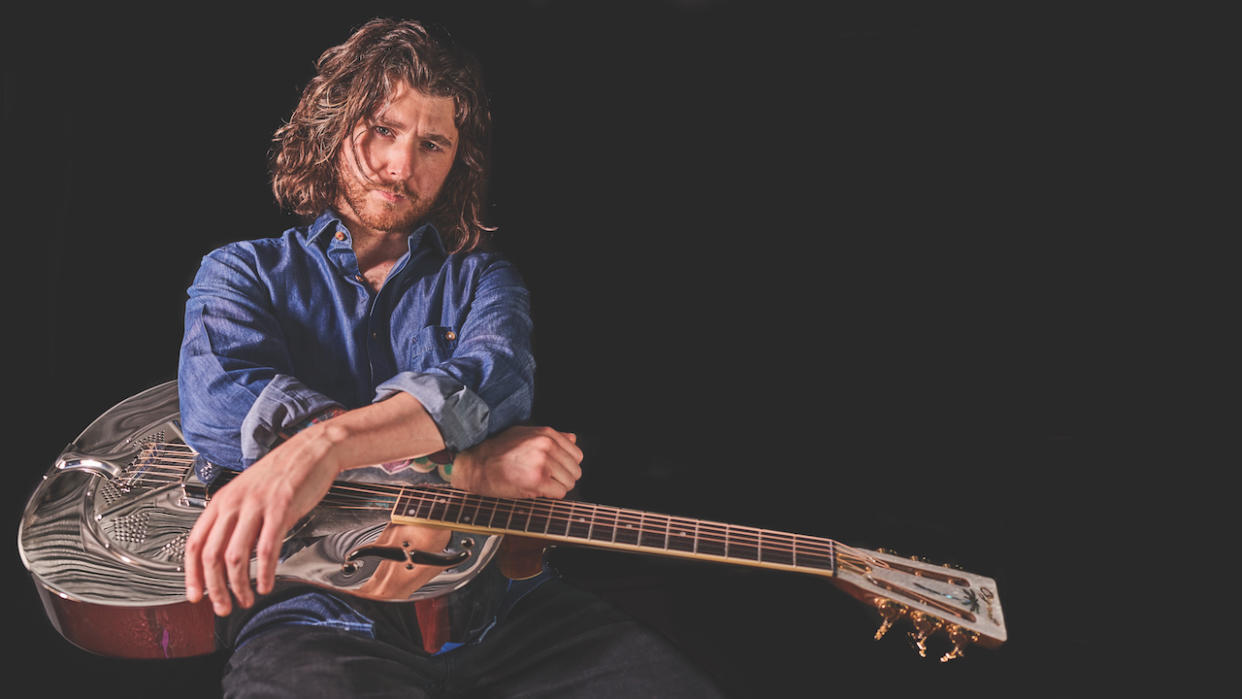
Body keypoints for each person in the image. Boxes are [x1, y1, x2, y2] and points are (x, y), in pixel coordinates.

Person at [176, 17, 722, 697]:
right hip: (314, 621)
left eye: (432, 143)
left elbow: (494, 383)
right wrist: (462, 463)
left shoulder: (483, 282)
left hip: (501, 614)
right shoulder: (241, 272)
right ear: (330, 126)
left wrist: (326, 445)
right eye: (382, 128)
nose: (402, 166)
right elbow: (222, 402)